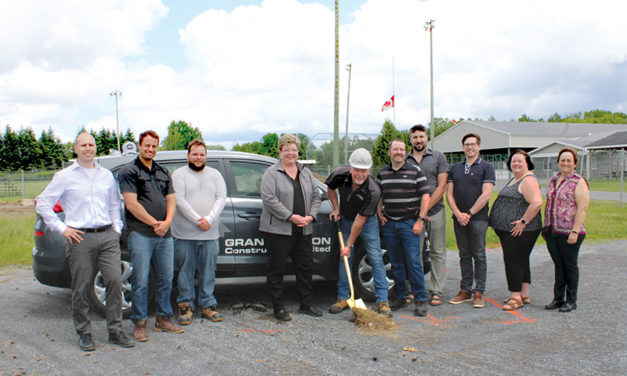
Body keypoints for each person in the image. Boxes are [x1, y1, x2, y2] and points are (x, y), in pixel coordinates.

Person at [35, 132, 134, 351]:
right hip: (80, 237)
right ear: (76, 148)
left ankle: (115, 330)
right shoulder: (64, 176)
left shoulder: (106, 175)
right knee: (80, 287)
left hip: (107, 235)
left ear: (95, 148)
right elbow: (43, 205)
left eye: (91, 144)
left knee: (115, 281)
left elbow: (114, 204)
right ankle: (84, 332)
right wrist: (63, 228)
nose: (88, 148)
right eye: (83, 145)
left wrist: (116, 228)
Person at [118, 130, 183, 341]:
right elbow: (131, 203)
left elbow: (171, 200)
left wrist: (167, 222)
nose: (151, 149)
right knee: (141, 281)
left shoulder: (163, 171)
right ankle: (139, 323)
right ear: (139, 145)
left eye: (154, 146)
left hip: (165, 234)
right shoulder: (129, 171)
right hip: (141, 233)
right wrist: (154, 223)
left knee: (166, 278)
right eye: (147, 145)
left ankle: (163, 319)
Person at [259, 134, 322, 322]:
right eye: (287, 149)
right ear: (280, 151)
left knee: (305, 268)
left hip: (303, 229)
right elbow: (269, 199)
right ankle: (278, 307)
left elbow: (316, 197)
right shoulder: (271, 173)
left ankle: (306, 304)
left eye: (294, 149)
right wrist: (291, 217)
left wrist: (311, 216)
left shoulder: (306, 173)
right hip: (278, 230)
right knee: (276, 270)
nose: (291, 153)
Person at [326, 148, 392, 317]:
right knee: (345, 259)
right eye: (357, 169)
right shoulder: (340, 175)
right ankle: (343, 298)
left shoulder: (373, 190)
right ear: (350, 168)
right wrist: (336, 209)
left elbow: (360, 222)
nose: (360, 174)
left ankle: (382, 301)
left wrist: (349, 244)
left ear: (369, 171)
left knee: (376, 258)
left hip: (366, 222)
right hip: (346, 218)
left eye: (364, 170)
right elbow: (330, 189)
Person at [172, 140, 227, 325]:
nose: (198, 157)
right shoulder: (179, 175)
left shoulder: (215, 175)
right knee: (185, 272)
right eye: (195, 154)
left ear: (206, 155)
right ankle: (185, 306)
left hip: (210, 234)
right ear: (188, 155)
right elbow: (179, 200)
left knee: (208, 271)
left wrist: (209, 220)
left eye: (201, 154)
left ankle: (207, 305)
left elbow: (221, 198)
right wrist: (198, 220)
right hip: (184, 234)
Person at [377, 139, 431, 316]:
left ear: (405, 152)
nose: (398, 152)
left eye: (401, 149)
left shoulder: (415, 171)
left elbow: (425, 196)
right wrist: (380, 214)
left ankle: (420, 299)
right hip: (390, 224)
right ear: (389, 152)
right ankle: (400, 296)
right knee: (396, 263)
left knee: (414, 262)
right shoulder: (382, 173)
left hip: (410, 224)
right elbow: (378, 196)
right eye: (395, 149)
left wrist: (420, 220)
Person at [489, 150, 543, 310]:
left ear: (528, 163)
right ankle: (524, 294)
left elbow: (537, 203)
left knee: (513, 261)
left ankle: (515, 297)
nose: (516, 164)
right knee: (522, 260)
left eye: (520, 161)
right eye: (514, 161)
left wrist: (523, 222)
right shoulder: (516, 179)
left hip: (521, 230)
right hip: (510, 230)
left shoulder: (528, 180)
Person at [446, 133, 495, 308]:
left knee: (479, 255)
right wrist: (458, 213)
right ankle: (465, 290)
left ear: (479, 146)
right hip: (459, 218)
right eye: (467, 144)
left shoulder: (486, 167)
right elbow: (449, 194)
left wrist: (469, 213)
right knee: (464, 255)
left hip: (478, 218)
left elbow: (486, 194)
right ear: (463, 147)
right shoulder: (455, 168)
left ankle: (479, 291)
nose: (470, 147)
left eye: (473, 144)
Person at [406, 124, 449, 306]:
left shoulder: (438, 157)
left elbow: (442, 186)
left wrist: (425, 210)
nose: (419, 140)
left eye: (421, 137)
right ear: (411, 139)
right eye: (415, 137)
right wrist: (419, 214)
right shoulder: (405, 159)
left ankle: (437, 290)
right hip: (413, 214)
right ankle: (415, 290)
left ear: (426, 138)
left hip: (436, 210)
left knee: (437, 252)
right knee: (414, 253)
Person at [543, 148, 590, 313]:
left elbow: (582, 208)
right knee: (558, 265)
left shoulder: (578, 182)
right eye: (563, 160)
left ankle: (571, 300)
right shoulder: (554, 179)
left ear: (575, 163)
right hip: (552, 230)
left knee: (570, 266)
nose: (565, 163)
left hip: (570, 232)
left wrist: (575, 231)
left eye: (569, 160)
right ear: (558, 161)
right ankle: (558, 299)